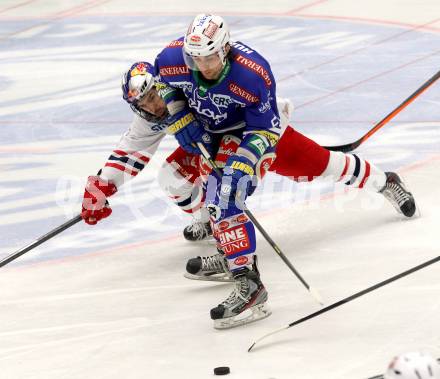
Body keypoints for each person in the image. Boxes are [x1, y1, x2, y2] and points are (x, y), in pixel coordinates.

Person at [153, 14, 417, 329]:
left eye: (209, 57)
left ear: (224, 50)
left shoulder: (252, 74)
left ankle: (384, 181)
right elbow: (163, 81)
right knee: (222, 198)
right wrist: (180, 115)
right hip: (213, 135)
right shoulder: (173, 59)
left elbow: (262, 131)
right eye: (195, 59)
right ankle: (245, 277)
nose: (203, 66)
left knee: (323, 166)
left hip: (259, 133)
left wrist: (242, 163)